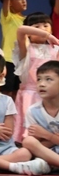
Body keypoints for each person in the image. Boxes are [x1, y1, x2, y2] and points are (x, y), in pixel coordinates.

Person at [13, 13, 59, 142]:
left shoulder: (55, 50)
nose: (42, 29)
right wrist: (48, 36)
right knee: (29, 133)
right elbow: (20, 30)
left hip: (51, 96)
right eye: (36, 26)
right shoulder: (26, 48)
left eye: (46, 25)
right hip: (30, 94)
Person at [21, 61, 59, 170]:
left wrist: (47, 135)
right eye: (39, 79)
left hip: (48, 153)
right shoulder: (33, 111)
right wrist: (54, 140)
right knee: (28, 142)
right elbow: (37, 144)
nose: (41, 84)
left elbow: (44, 140)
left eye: (48, 79)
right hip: (48, 153)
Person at [0, 0, 26, 98]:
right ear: (10, 2)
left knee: (18, 91)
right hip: (9, 59)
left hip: (22, 60)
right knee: (7, 91)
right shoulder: (8, 17)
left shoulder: (27, 20)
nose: (24, 1)